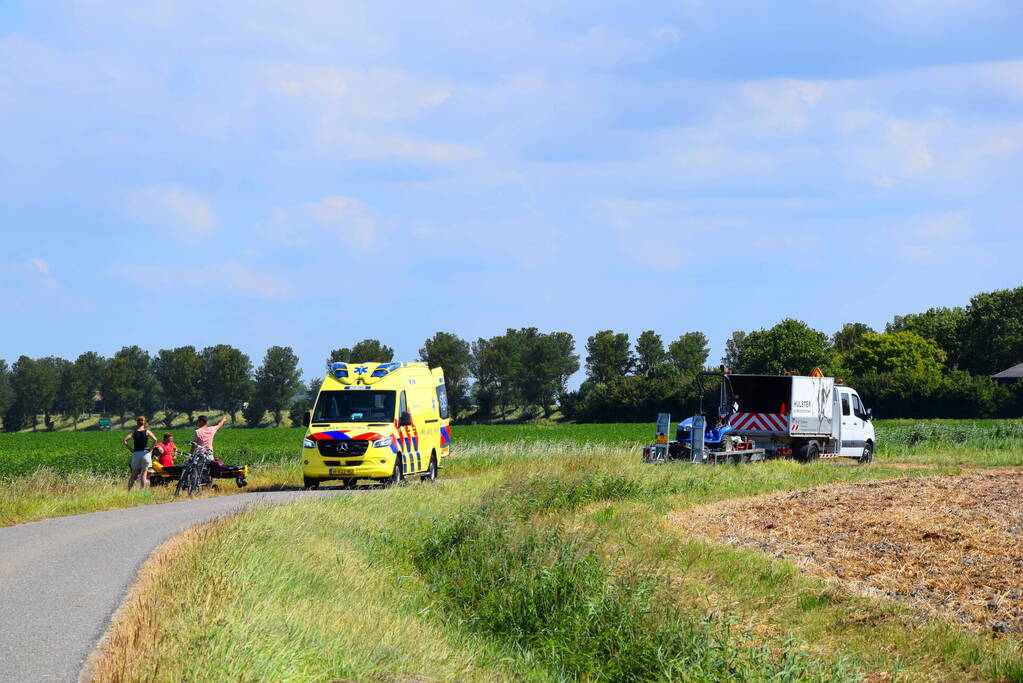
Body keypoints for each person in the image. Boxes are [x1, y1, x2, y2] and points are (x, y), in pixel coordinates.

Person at [123, 416, 157, 490]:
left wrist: (131, 449)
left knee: (134, 474)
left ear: (137, 423)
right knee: (144, 474)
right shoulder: (147, 431)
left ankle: (129, 490)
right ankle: (142, 491)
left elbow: (124, 441)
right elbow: (155, 440)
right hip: (145, 453)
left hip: (136, 453)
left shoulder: (134, 432)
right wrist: (150, 449)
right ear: (144, 423)